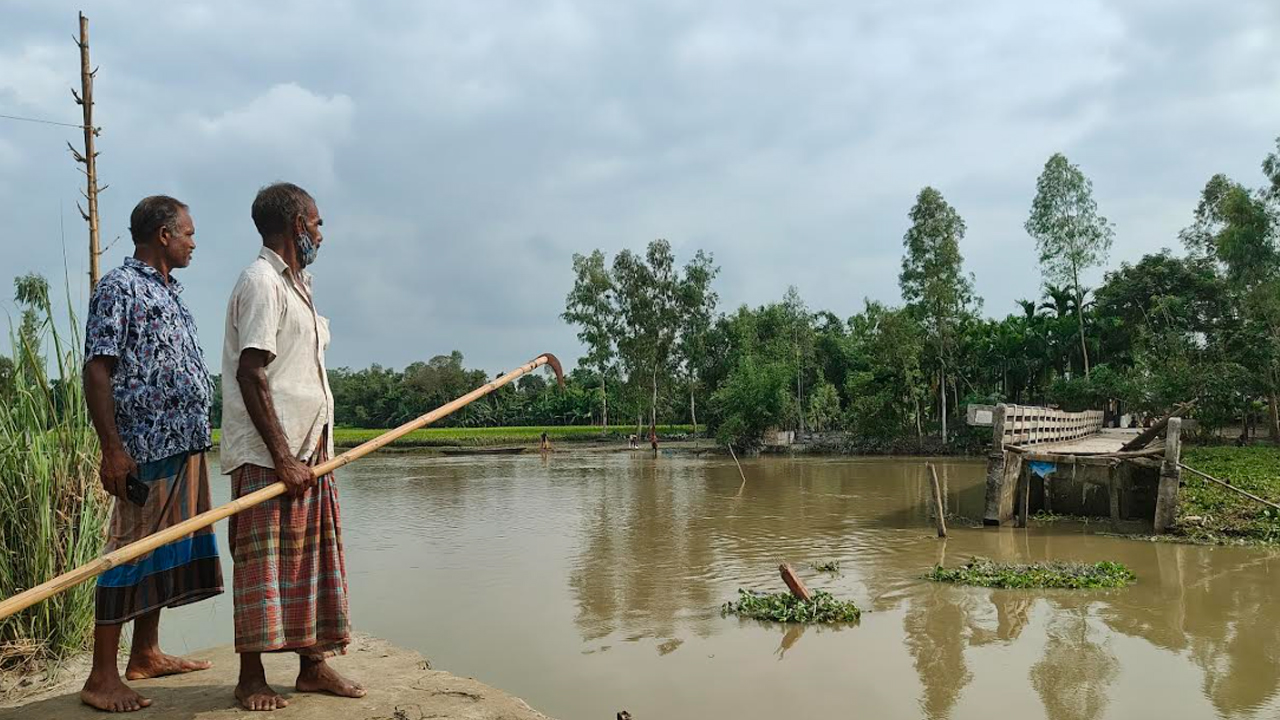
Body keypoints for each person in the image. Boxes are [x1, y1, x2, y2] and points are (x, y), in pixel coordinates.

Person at [220, 183, 364, 711]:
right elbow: (252, 372)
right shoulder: (260, 282)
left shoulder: (299, 284)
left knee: (313, 559)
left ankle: (312, 665)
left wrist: (306, 453)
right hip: (268, 451)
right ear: (295, 225)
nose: (321, 234)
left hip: (311, 445)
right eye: (317, 223)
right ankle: (251, 677)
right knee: (261, 565)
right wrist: (281, 455)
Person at [81, 196, 223, 713]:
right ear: (163, 235)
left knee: (163, 547)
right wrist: (112, 449)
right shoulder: (120, 287)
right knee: (129, 551)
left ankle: (146, 653)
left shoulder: (168, 291)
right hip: (144, 448)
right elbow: (98, 369)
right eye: (187, 232)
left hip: (182, 442)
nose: (193, 241)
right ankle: (101, 676)